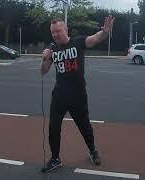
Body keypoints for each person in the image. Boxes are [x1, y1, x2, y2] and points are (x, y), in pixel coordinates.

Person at [40, 15, 115, 173]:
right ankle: (55, 159)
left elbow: (95, 39)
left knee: (84, 126)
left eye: (58, 31)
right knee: (53, 127)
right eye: (53, 32)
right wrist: (45, 59)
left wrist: (105, 32)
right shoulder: (52, 49)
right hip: (59, 95)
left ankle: (92, 150)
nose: (55, 35)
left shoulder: (78, 42)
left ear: (65, 30)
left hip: (78, 95)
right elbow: (43, 72)